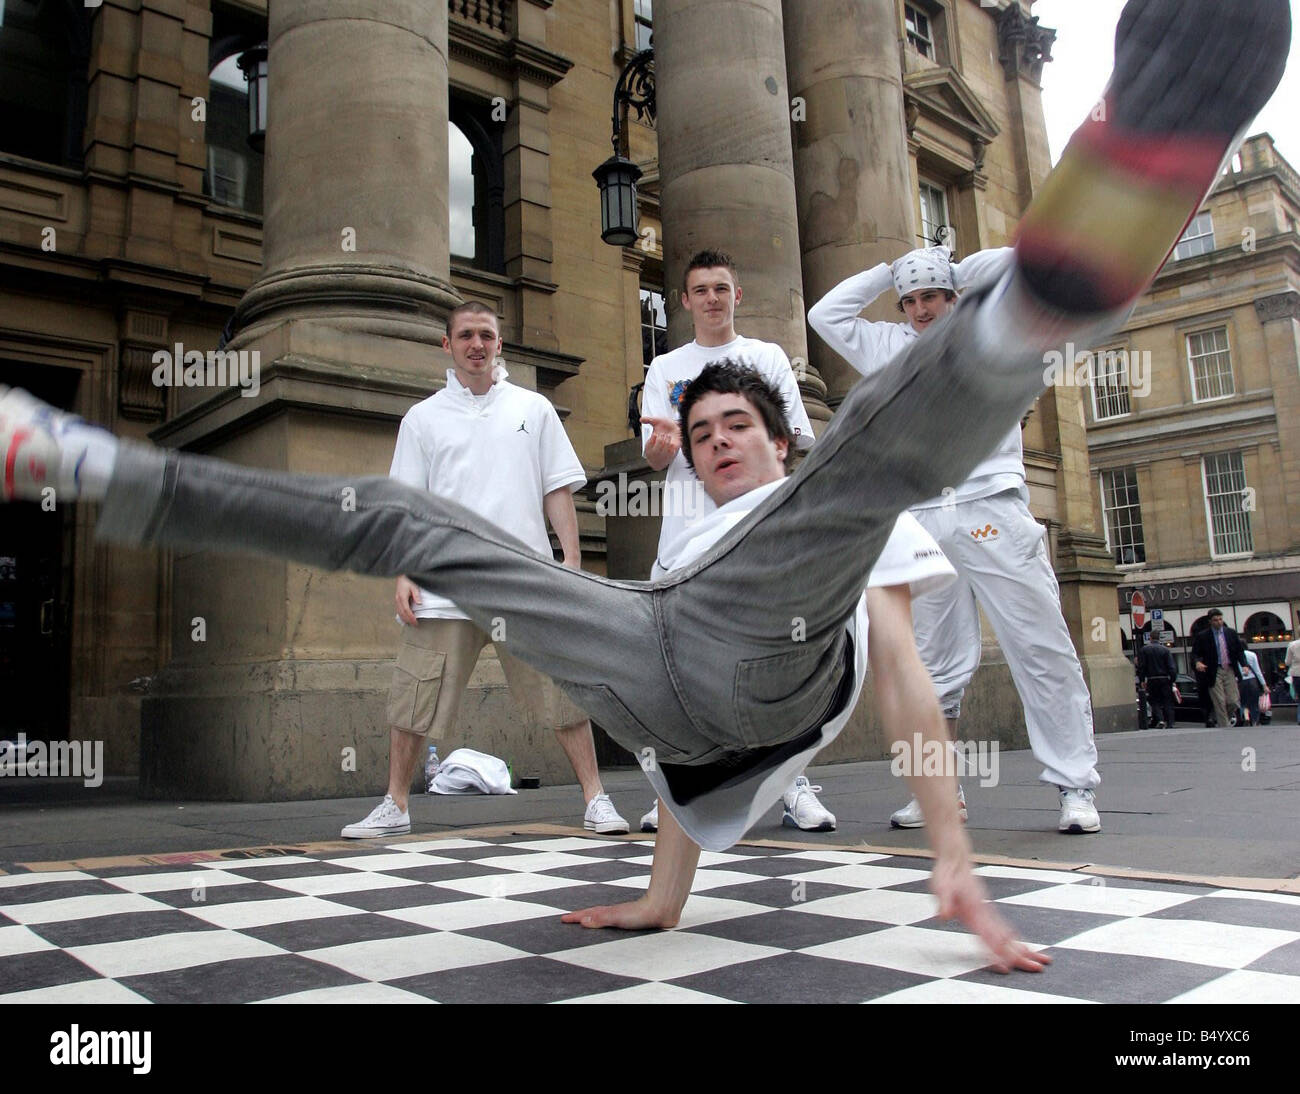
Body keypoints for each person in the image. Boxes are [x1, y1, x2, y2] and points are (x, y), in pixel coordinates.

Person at [1, 0, 1287, 970]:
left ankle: (1076, 252)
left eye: (738, 423)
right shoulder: (684, 550)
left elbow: (901, 675)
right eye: (706, 425)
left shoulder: (814, 506)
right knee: (413, 521)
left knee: (878, 465)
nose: (720, 439)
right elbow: (684, 768)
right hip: (659, 651)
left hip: (775, 650)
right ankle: (92, 465)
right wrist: (661, 903)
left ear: (772, 435)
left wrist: (953, 856)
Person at [809, 244, 1103, 834]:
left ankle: (1075, 786)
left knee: (1039, 647)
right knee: (935, 666)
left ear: (953, 297)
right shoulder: (891, 346)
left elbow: (1028, 264)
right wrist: (886, 270)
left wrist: (956, 267)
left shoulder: (996, 331)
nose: (920, 309)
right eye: (910, 299)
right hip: (922, 515)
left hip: (992, 508)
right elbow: (825, 316)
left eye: (932, 296)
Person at [359, 301, 630, 838]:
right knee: (414, 695)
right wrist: (403, 573)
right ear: (447, 345)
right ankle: (395, 805)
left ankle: (597, 799)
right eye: (465, 336)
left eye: (486, 335)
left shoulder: (534, 408)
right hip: (444, 585)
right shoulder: (422, 418)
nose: (476, 345)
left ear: (499, 345)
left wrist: (570, 562)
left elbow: (557, 489)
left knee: (564, 691)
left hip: (523, 584)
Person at [638, 249, 835, 834]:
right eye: (701, 290)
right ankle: (670, 796)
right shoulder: (665, 368)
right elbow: (655, 458)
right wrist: (660, 450)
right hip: (686, 534)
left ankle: (792, 784)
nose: (712, 299)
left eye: (722, 288)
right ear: (686, 300)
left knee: (776, 658)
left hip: (758, 529)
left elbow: (795, 438)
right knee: (675, 665)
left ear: (737, 295)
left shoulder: (766, 357)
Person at [1191, 609, 1248, 730]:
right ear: (1210, 621)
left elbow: (1239, 651)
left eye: (1220, 619)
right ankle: (1224, 727)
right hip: (1213, 671)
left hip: (1229, 669)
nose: (1219, 622)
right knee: (1219, 701)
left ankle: (1221, 717)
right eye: (1215, 620)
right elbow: (1195, 653)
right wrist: (1198, 662)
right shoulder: (1203, 636)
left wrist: (1244, 665)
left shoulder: (1231, 633)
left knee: (1233, 701)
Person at [1135, 632, 1177, 729]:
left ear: (1150, 638)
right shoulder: (1165, 650)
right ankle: (1170, 722)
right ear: (1159, 638)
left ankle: (1160, 719)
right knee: (1167, 701)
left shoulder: (1144, 650)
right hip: (1164, 678)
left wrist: (1142, 679)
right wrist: (1172, 679)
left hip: (1152, 679)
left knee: (1154, 701)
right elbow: (1171, 667)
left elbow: (1142, 666)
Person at [1239, 643, 1266, 726]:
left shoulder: (1236, 655)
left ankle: (1246, 717)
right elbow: (1257, 671)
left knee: (1243, 702)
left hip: (1241, 681)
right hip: (1252, 680)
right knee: (1254, 702)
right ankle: (1255, 720)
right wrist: (1264, 684)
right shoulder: (1252, 654)